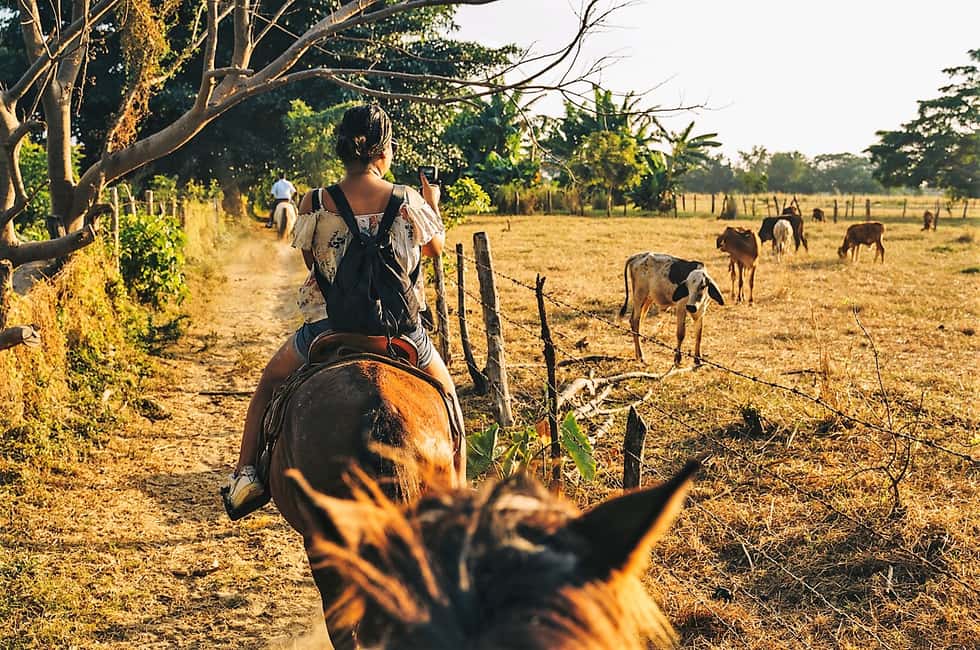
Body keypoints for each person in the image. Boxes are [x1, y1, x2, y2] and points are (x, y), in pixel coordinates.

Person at [224, 104, 460, 513]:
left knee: (270, 382)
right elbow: (434, 249)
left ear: (342, 150)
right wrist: (431, 202)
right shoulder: (407, 199)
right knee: (449, 399)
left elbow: (312, 262)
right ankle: (459, 495)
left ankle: (246, 475)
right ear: (384, 153)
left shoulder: (315, 201)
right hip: (399, 332)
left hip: (329, 327)